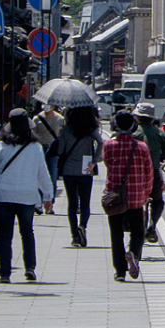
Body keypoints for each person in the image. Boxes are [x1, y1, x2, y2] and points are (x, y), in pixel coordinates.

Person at [0, 109, 54, 284]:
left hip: (3, 196)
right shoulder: (35, 148)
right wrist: (48, 196)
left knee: (4, 237)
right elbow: (42, 174)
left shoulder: (1, 146)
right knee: (27, 233)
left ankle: (5, 273)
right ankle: (30, 268)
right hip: (27, 197)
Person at [103, 110, 155, 282]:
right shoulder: (142, 147)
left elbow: (107, 164)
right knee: (138, 232)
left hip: (115, 197)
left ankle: (119, 271)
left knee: (116, 234)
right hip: (136, 197)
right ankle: (133, 253)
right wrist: (146, 193)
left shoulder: (108, 145)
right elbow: (149, 173)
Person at [54, 105, 102, 247]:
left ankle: (74, 235)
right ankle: (83, 226)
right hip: (86, 168)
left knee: (72, 204)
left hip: (69, 169)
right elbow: (101, 141)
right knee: (85, 202)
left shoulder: (67, 130)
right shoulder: (91, 129)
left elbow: (61, 150)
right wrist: (95, 161)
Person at [136, 102, 165, 170]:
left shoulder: (133, 132)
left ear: (138, 117)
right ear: (152, 119)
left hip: (134, 170)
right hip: (153, 169)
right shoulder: (159, 133)